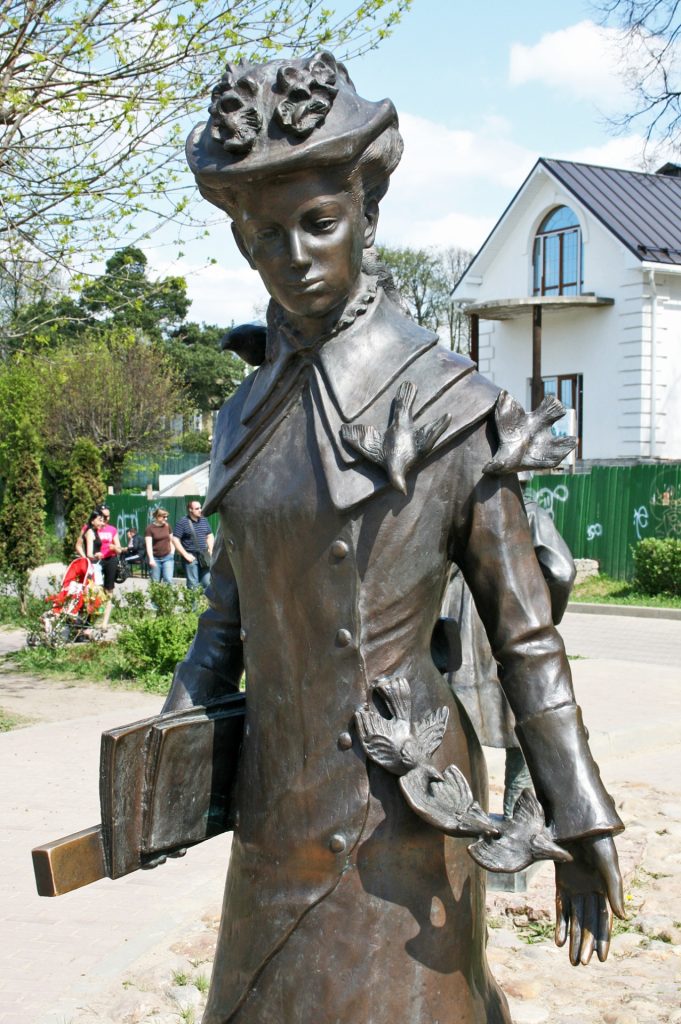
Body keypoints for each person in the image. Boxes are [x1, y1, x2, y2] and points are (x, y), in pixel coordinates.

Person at [159, 54, 624, 1024]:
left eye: (317, 221)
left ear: (367, 210)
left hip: (400, 824)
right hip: (275, 817)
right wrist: (157, 760)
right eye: (262, 233)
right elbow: (224, 625)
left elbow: (525, 636)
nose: (292, 254)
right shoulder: (241, 419)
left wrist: (578, 812)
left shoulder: (452, 406)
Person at [442, 488, 577, 818]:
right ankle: (520, 829)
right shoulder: (526, 512)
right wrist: (543, 616)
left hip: (458, 632)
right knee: (525, 742)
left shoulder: (457, 514)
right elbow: (561, 571)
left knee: (458, 737)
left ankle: (461, 829)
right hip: (511, 633)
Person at [172, 501, 214, 590]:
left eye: (200, 507)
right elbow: (175, 539)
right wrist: (185, 554)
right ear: (190, 510)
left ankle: (203, 604)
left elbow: (209, 535)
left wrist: (211, 549)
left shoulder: (204, 520)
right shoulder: (182, 522)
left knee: (207, 582)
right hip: (191, 557)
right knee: (193, 585)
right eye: (197, 508)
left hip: (204, 556)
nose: (200, 510)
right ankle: (193, 604)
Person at [144, 508, 175, 584]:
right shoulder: (150, 528)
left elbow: (172, 540)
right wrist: (151, 559)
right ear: (158, 516)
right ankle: (156, 596)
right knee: (155, 581)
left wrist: (172, 553)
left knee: (168, 579)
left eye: (167, 517)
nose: (166, 519)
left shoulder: (167, 526)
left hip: (167, 557)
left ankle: (168, 596)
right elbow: (148, 545)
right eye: (164, 517)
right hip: (155, 558)